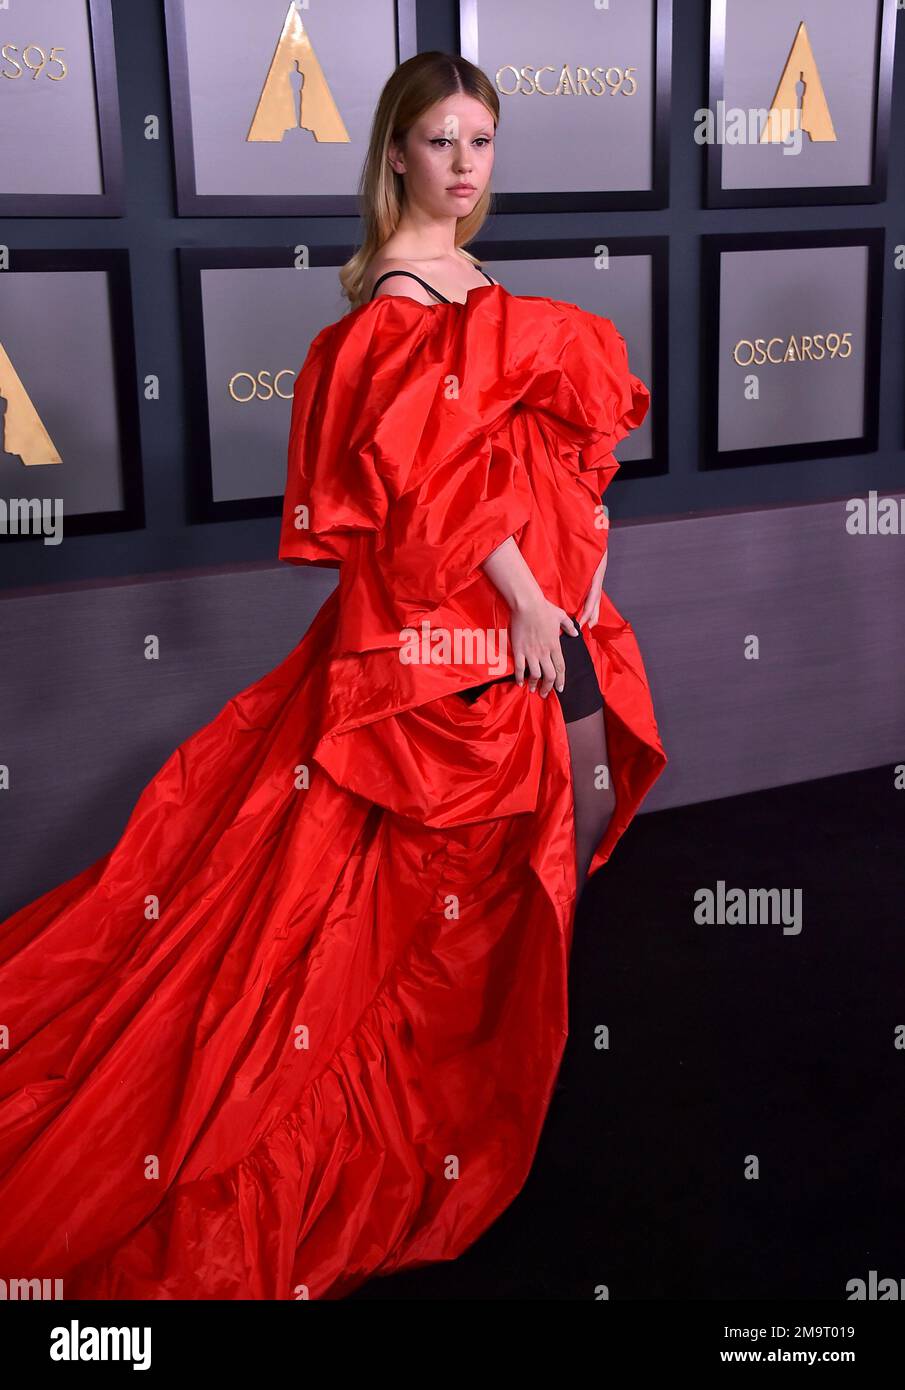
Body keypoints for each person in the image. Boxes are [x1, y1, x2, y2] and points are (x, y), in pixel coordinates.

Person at [0, 52, 666, 1300]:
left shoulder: (479, 281)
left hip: (520, 634)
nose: (464, 169)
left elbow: (540, 458)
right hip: (445, 649)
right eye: (440, 143)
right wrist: (528, 600)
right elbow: (425, 488)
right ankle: (356, 1123)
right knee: (367, 900)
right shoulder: (395, 303)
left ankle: (431, 1096)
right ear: (395, 155)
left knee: (472, 890)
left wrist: (579, 577)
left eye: (481, 143)